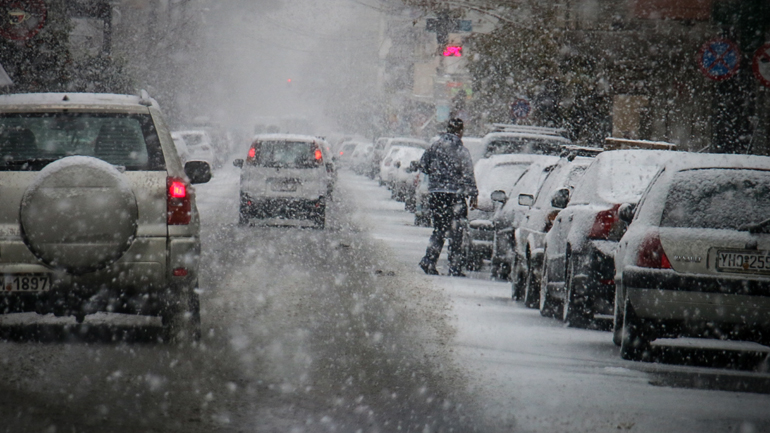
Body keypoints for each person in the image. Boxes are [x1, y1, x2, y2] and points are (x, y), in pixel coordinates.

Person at [418, 118, 478, 277]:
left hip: (436, 194)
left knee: (439, 229)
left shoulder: (435, 146)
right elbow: (468, 174)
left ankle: (429, 261)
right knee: (456, 232)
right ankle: (455, 267)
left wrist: (436, 176)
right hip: (455, 196)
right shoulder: (462, 151)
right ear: (460, 131)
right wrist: (473, 194)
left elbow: (423, 165)